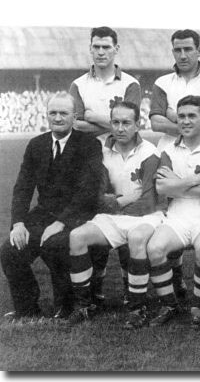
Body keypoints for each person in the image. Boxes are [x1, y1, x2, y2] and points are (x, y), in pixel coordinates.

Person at [0, 92, 103, 320]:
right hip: (43, 214)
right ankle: (27, 308)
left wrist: (60, 223)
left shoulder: (89, 145)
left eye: (63, 113)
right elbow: (23, 187)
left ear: (74, 117)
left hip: (77, 215)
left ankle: (65, 307)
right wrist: (18, 223)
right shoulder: (37, 145)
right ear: (46, 115)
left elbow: (87, 193)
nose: (57, 118)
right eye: (53, 113)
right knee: (10, 250)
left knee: (55, 243)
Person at [67, 101, 161, 328]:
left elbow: (149, 201)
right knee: (76, 237)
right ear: (110, 124)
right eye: (116, 122)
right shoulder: (101, 150)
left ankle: (138, 307)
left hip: (146, 217)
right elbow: (97, 196)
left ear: (138, 125)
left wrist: (114, 202)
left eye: (126, 123)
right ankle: (85, 304)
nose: (120, 128)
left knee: (136, 238)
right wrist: (124, 200)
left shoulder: (150, 152)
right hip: (113, 215)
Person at [69, 26, 141, 302]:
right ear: (90, 48)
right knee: (94, 218)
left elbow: (131, 123)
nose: (101, 52)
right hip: (89, 161)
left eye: (106, 47)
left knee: (127, 216)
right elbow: (75, 123)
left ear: (116, 49)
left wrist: (92, 115)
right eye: (96, 46)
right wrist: (113, 121)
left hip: (124, 157)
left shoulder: (130, 84)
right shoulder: (79, 84)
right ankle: (94, 290)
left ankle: (128, 288)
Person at [145, 96, 200, 327]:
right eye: (181, 116)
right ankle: (169, 305)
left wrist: (178, 184)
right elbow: (162, 187)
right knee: (155, 248)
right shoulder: (168, 149)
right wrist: (196, 179)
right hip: (177, 216)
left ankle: (198, 306)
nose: (186, 121)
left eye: (192, 116)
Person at [149, 29, 200, 151]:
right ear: (173, 52)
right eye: (178, 50)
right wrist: (194, 123)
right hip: (167, 150)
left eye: (188, 49)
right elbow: (156, 124)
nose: (183, 56)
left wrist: (172, 115)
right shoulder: (161, 82)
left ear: (199, 51)